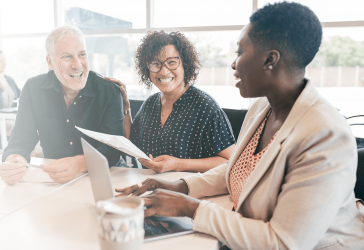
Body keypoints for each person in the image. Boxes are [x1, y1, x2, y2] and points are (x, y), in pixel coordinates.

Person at [116, 2, 364, 249]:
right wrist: (180, 187)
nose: (234, 65)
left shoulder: (325, 134)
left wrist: (191, 208)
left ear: (270, 60)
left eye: (240, 52)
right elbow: (239, 169)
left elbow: (282, 243)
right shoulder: (261, 108)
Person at [0, 25, 123, 185]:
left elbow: (112, 148)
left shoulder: (109, 91)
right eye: (67, 56)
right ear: (50, 62)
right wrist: (15, 160)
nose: (78, 64)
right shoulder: (33, 89)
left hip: (102, 178)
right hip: (54, 181)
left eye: (82, 55)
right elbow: (21, 138)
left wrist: (78, 164)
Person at [107, 31, 235, 173]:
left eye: (171, 62)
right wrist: (125, 107)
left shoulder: (205, 106)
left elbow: (230, 160)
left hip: (188, 190)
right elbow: (130, 142)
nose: (163, 71)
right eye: (156, 64)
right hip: (149, 187)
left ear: (185, 64)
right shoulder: (150, 104)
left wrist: (178, 164)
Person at [0, 51, 21, 138]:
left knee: (30, 126)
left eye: (5, 60)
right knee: (25, 129)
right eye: (1, 61)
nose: (5, 64)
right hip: (2, 120)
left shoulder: (9, 79)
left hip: (11, 118)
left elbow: (23, 96)